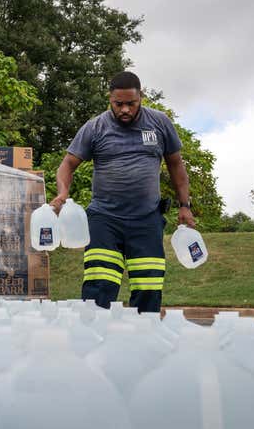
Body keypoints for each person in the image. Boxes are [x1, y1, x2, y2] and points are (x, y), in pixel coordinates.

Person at [50, 71, 195, 313]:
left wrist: (184, 205)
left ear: (141, 98)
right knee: (99, 284)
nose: (125, 109)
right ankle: (93, 340)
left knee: (148, 284)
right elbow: (67, 164)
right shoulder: (95, 127)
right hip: (104, 219)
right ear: (110, 99)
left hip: (147, 219)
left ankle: (143, 341)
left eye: (131, 103)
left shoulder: (159, 123)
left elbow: (176, 164)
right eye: (119, 104)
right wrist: (62, 193)